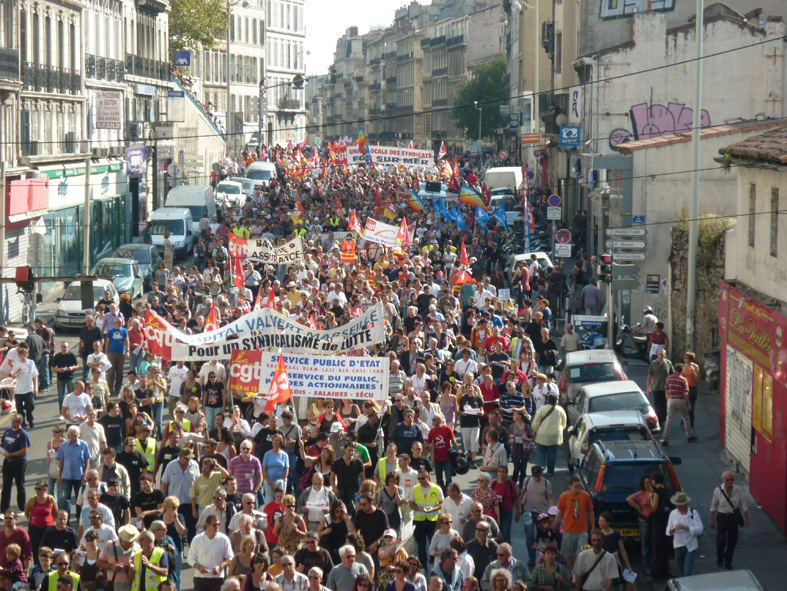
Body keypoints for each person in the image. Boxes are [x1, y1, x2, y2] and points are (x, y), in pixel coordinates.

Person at [551, 476, 594, 572]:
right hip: (568, 531)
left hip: (583, 531)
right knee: (569, 555)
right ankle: (573, 575)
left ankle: (580, 574)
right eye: (576, 486)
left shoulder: (586, 496)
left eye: (579, 486)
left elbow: (591, 512)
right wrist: (553, 527)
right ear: (570, 486)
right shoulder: (564, 496)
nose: (579, 488)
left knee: (583, 554)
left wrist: (593, 529)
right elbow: (560, 514)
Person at [709, 471, 750, 570]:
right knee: (721, 539)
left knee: (733, 540)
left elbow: (743, 504)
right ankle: (720, 557)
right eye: (727, 480)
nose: (730, 481)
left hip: (733, 518)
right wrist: (712, 520)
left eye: (731, 479)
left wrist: (746, 517)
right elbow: (713, 506)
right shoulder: (718, 491)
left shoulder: (738, 490)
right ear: (723, 480)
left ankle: (728, 561)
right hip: (722, 517)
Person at [161, 449, 200, 543]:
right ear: (180, 457)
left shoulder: (194, 465)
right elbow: (164, 483)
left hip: (190, 502)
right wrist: (164, 502)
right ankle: (177, 546)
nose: (189, 460)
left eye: (190, 458)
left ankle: (191, 550)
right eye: (186, 458)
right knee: (175, 527)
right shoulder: (171, 466)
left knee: (192, 528)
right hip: (174, 503)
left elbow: (198, 482)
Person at [187, 514, 234, 591]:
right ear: (207, 525)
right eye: (214, 525)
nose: (217, 527)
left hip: (217, 578)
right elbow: (190, 558)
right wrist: (199, 567)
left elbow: (230, 558)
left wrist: (220, 566)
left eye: (218, 524)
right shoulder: (197, 539)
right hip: (200, 578)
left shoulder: (224, 539)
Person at [56, 426, 92, 524]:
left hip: (79, 477)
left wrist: (85, 474)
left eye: (75, 433)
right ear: (68, 434)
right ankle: (65, 519)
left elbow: (87, 460)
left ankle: (79, 518)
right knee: (65, 499)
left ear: (78, 434)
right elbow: (61, 460)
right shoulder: (63, 445)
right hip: (66, 476)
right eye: (71, 433)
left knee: (79, 499)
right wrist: (60, 475)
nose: (73, 435)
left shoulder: (83, 445)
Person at [409, 469, 443, 569]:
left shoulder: (436, 488)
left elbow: (442, 503)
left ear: (428, 476)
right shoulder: (415, 488)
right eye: (418, 478)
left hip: (432, 520)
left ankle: (433, 564)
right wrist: (418, 508)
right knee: (420, 544)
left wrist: (434, 508)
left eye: (422, 478)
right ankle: (422, 566)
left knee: (433, 543)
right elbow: (411, 503)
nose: (420, 480)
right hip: (419, 520)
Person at [666, 492, 703, 577]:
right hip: (678, 545)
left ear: (686, 504)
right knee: (681, 571)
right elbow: (668, 530)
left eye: (681, 505)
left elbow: (700, 530)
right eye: (677, 505)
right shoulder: (673, 513)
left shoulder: (693, 513)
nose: (678, 507)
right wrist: (672, 529)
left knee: (687, 572)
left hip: (690, 545)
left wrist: (686, 528)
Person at [661, 363, 697, 445]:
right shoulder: (683, 379)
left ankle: (666, 439)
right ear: (682, 370)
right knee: (686, 418)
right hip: (680, 400)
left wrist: (668, 400)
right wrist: (689, 403)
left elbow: (666, 390)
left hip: (671, 400)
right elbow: (686, 393)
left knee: (669, 420)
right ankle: (689, 436)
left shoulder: (669, 378)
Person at [1, 415, 31, 514]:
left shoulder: (22, 434)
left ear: (20, 422)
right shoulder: (8, 431)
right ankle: (3, 509)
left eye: (15, 421)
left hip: (19, 463)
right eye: (12, 420)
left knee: (20, 485)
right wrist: (2, 450)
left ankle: (22, 508)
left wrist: (10, 454)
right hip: (8, 462)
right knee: (6, 486)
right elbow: (2, 443)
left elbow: (24, 450)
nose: (12, 422)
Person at [531, 395, 566, 476]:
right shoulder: (561, 410)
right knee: (552, 453)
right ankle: (550, 471)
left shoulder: (542, 408)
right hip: (555, 435)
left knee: (540, 450)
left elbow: (536, 421)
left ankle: (542, 465)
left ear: (548, 401)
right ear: (556, 401)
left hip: (542, 434)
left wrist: (534, 430)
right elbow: (564, 424)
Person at [625, 475, 653, 575]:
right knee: (645, 544)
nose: (647, 484)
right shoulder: (641, 494)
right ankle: (646, 566)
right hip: (644, 521)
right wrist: (638, 507)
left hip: (655, 521)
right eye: (645, 483)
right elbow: (629, 499)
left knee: (655, 544)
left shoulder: (655, 493)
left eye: (649, 482)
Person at [648, 472, 671, 581]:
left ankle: (657, 573)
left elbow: (654, 507)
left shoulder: (657, 492)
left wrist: (651, 497)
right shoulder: (666, 490)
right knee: (665, 548)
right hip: (666, 521)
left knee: (656, 548)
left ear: (654, 481)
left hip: (657, 523)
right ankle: (665, 571)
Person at [353, 494, 389, 562]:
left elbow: (386, 532)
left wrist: (376, 543)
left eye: (364, 504)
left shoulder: (381, 514)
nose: (362, 506)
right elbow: (355, 530)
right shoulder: (360, 513)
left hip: (378, 549)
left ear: (372, 503)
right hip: (363, 548)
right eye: (361, 504)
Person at [10, 346, 38, 429]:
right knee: (19, 410)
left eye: (25, 355)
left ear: (27, 355)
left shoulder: (31, 363)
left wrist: (36, 387)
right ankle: (23, 424)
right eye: (22, 355)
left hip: (28, 389)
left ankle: (30, 419)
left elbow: (35, 375)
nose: (23, 356)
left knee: (30, 406)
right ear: (19, 356)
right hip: (19, 390)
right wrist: (17, 370)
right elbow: (13, 376)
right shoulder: (17, 364)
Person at [646, 348, 673, 426]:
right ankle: (659, 421)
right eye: (659, 354)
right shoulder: (653, 364)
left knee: (666, 405)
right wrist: (648, 388)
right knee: (658, 405)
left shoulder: (668, 363)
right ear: (657, 354)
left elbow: (672, 374)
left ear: (665, 354)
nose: (661, 355)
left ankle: (664, 419)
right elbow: (650, 377)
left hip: (666, 389)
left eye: (663, 354)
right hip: (656, 388)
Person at [51, 342, 79, 411]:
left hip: (70, 378)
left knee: (72, 396)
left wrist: (72, 367)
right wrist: (58, 369)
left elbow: (77, 365)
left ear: (68, 347)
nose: (64, 348)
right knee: (61, 397)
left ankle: (72, 411)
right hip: (60, 378)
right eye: (62, 346)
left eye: (65, 346)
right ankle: (62, 412)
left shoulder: (71, 355)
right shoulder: (57, 356)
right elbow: (52, 368)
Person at [682, 352, 700, 429]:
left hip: (692, 388)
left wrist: (693, 371)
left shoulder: (695, 367)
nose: (684, 359)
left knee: (691, 407)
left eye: (686, 358)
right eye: (685, 357)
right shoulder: (683, 367)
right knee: (684, 406)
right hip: (684, 388)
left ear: (690, 359)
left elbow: (698, 379)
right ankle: (684, 420)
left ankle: (691, 425)